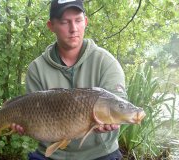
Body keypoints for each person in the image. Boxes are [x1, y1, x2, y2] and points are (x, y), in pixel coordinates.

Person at [11, 0, 127, 159]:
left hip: (101, 153)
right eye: (65, 22)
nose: (73, 29)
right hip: (51, 154)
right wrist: (23, 124)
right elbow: (32, 116)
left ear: (85, 22)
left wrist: (114, 121)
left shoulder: (106, 62)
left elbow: (118, 104)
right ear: (51, 26)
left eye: (78, 20)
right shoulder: (36, 69)